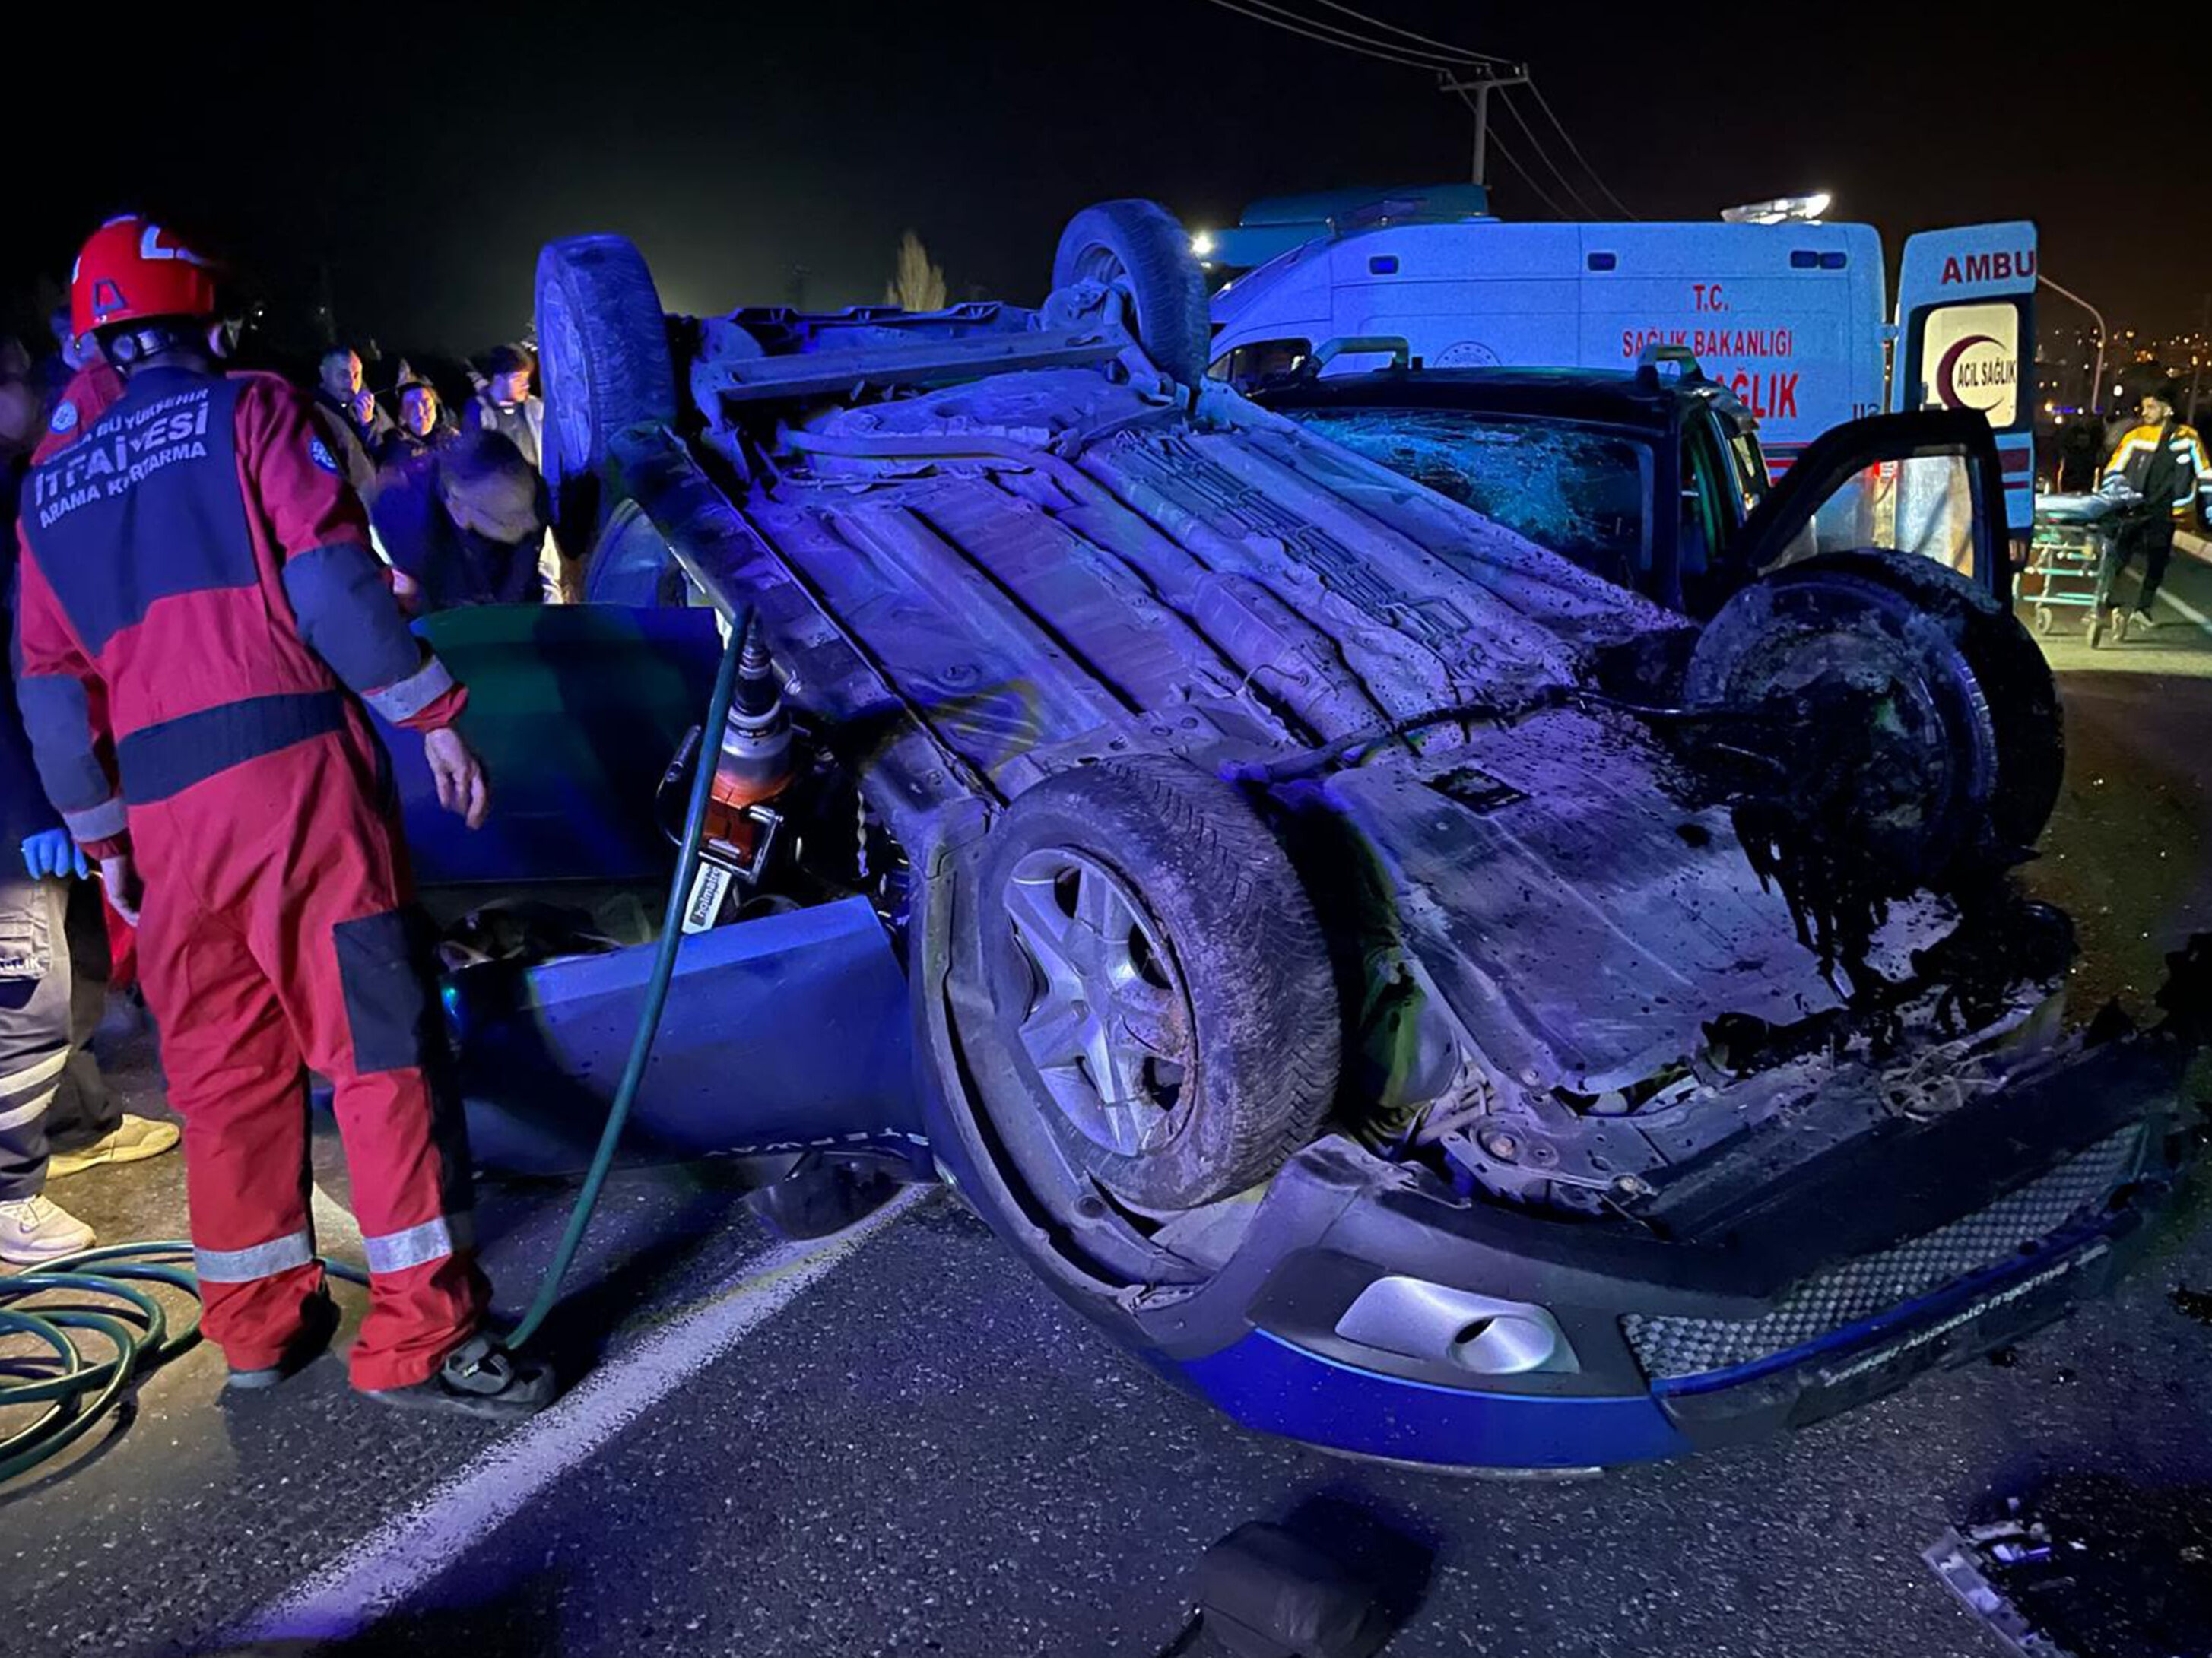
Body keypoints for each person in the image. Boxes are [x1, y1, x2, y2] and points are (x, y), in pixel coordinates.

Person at [12, 215, 551, 1416]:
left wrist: (104, 841)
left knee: (221, 1075)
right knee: (377, 1055)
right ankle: (421, 1337)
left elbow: (48, 689)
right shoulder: (246, 415)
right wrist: (431, 710)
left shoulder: (50, 487)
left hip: (160, 823)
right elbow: (327, 581)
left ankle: (258, 1327)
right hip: (289, 781)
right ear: (199, 318)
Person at [1, 338, 176, 1265]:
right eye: (22, 386)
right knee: (22, 990)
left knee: (74, 963)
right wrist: (32, 809)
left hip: (42, 791)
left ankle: (77, 1126)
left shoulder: (16, 489)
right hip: (12, 807)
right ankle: (8, 1196)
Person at [370, 430, 549, 612]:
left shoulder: (528, 494)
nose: (530, 523)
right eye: (510, 519)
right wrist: (420, 598)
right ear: (459, 511)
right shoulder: (405, 524)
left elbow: (522, 583)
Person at [2097, 386, 2210, 630]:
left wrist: (2210, 506)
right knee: (2120, 555)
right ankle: (2106, 600)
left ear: (2167, 410)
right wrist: (2114, 496)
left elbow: (2205, 473)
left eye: (2152, 407)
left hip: (2168, 509)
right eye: (2144, 407)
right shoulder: (2136, 436)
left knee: (2158, 560)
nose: (2145, 412)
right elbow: (2114, 468)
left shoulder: (2188, 437)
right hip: (2135, 506)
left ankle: (2143, 608)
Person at [311, 348, 389, 495]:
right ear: (323, 373)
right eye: (342, 374)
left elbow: (380, 457)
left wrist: (367, 424)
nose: (351, 382)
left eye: (356, 375)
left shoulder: (358, 409)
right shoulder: (312, 412)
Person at [463, 344, 543, 472]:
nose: (526, 385)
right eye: (518, 379)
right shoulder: (479, 413)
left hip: (540, 487)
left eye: (526, 378)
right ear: (499, 379)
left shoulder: (535, 409)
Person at [376, 364, 455, 466]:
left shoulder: (449, 435)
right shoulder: (397, 441)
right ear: (402, 413)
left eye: (425, 402)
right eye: (411, 405)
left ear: (435, 405)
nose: (420, 410)